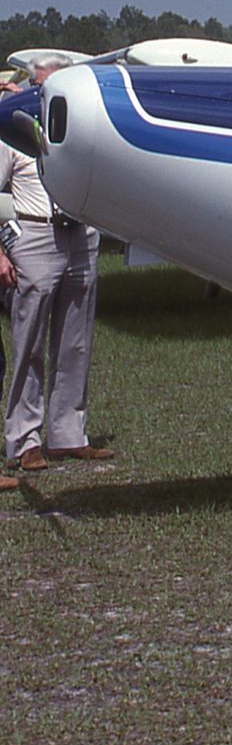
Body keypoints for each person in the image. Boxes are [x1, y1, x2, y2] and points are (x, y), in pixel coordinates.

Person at [0, 54, 114, 473]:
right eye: (42, 86)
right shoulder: (12, 134)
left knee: (75, 340)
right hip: (34, 234)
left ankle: (68, 434)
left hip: (81, 235)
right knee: (27, 342)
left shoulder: (86, 134)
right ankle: (24, 439)